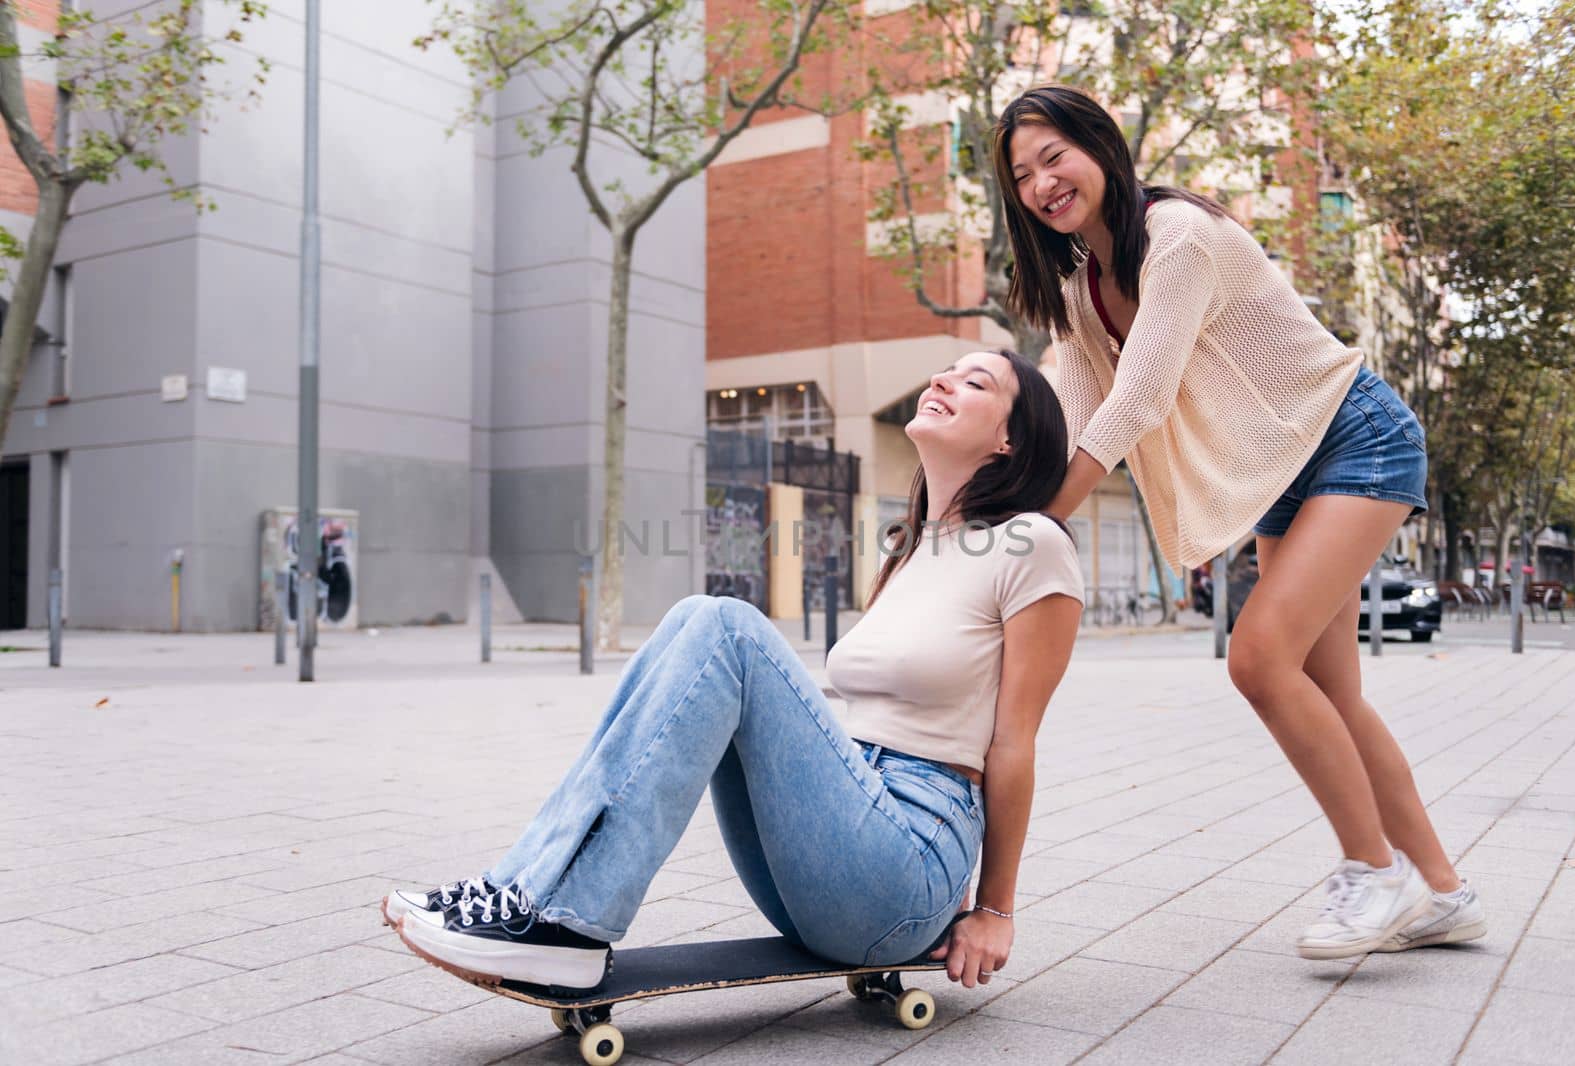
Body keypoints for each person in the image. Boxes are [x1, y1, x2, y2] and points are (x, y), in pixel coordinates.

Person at [383, 348, 1086, 990]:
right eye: (946, 370)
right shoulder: (908, 551)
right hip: (843, 845)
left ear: (1010, 440)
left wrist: (995, 907)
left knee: (725, 626)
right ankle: (523, 892)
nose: (942, 380)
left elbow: (1013, 741)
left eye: (975, 381)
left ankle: (558, 917)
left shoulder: (1033, 545)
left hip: (906, 864)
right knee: (699, 620)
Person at [993, 85, 1485, 959]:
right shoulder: (1080, 289)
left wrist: (1038, 524)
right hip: (1281, 475)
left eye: (1053, 157)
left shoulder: (1178, 238)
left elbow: (1138, 398)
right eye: (1023, 175)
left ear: (1100, 147)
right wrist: (999, 500)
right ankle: (1442, 891)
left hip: (1352, 438)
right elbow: (1068, 406)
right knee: (1330, 695)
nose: (1042, 184)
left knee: (1258, 658)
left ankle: (1376, 872)